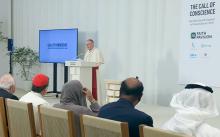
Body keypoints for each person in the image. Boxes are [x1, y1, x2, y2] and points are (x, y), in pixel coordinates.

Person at [84, 39, 104, 103]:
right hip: (87, 72)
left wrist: (94, 66)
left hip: (94, 71)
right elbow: (85, 62)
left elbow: (100, 62)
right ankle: (88, 101)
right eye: (86, 44)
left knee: (95, 88)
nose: (87, 46)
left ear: (92, 44)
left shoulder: (97, 51)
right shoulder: (87, 52)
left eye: (88, 44)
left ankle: (95, 102)